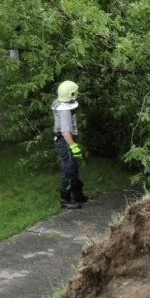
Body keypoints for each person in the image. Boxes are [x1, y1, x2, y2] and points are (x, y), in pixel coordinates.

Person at [53, 80, 87, 209]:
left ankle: (78, 195)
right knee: (68, 169)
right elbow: (65, 131)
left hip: (65, 140)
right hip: (65, 141)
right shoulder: (65, 111)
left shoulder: (59, 103)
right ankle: (65, 199)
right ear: (71, 94)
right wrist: (73, 146)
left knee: (73, 167)